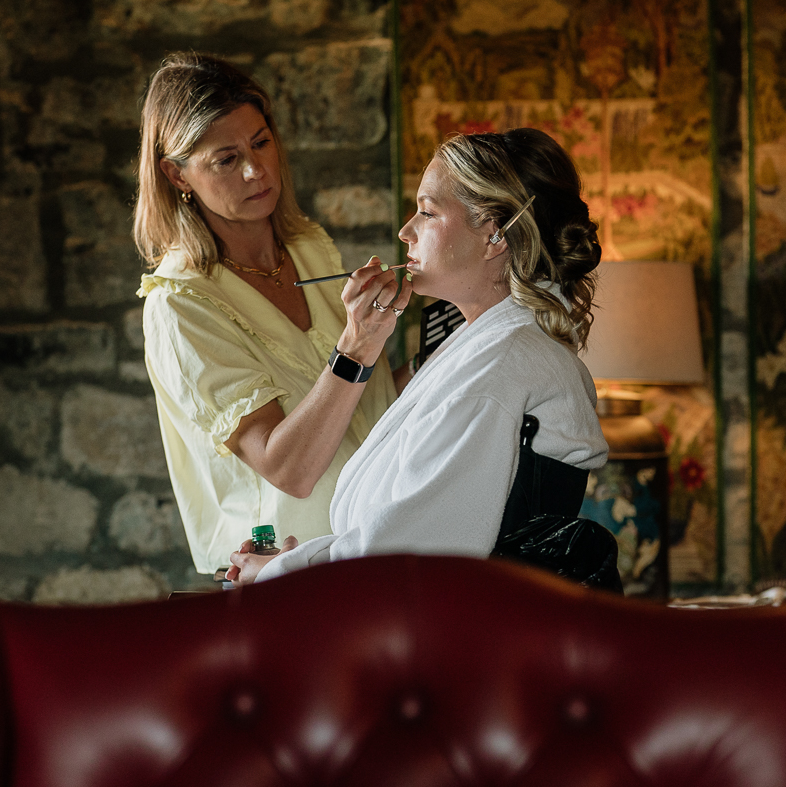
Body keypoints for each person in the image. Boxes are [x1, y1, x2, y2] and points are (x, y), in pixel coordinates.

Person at [228, 127, 608, 585]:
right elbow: (405, 529)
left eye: (427, 212)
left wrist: (281, 571)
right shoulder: (484, 351)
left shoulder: (501, 366)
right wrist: (299, 559)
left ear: (494, 233)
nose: (406, 231)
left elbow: (407, 560)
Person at [135, 53, 413, 577]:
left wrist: (434, 360)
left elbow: (360, 415)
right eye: (225, 158)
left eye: (261, 142)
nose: (255, 170)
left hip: (374, 548)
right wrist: (356, 347)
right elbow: (291, 469)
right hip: (288, 577)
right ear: (177, 175)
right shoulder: (179, 304)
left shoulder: (309, 247)